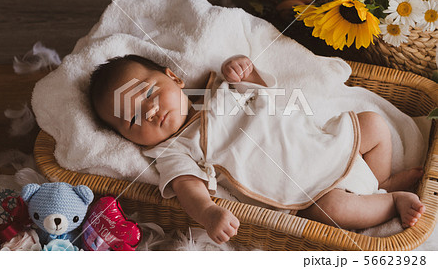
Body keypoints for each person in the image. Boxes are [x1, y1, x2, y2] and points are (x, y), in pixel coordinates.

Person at [89, 54, 425, 244]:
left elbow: (267, 95)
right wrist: (207, 212)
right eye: (132, 119)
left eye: (149, 94)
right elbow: (187, 187)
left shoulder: (218, 90)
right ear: (130, 140)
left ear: (174, 78)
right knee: (333, 209)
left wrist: (247, 72)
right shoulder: (175, 151)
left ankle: (381, 183)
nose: (149, 112)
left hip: (323, 143)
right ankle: (388, 202)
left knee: (373, 124)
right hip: (309, 189)